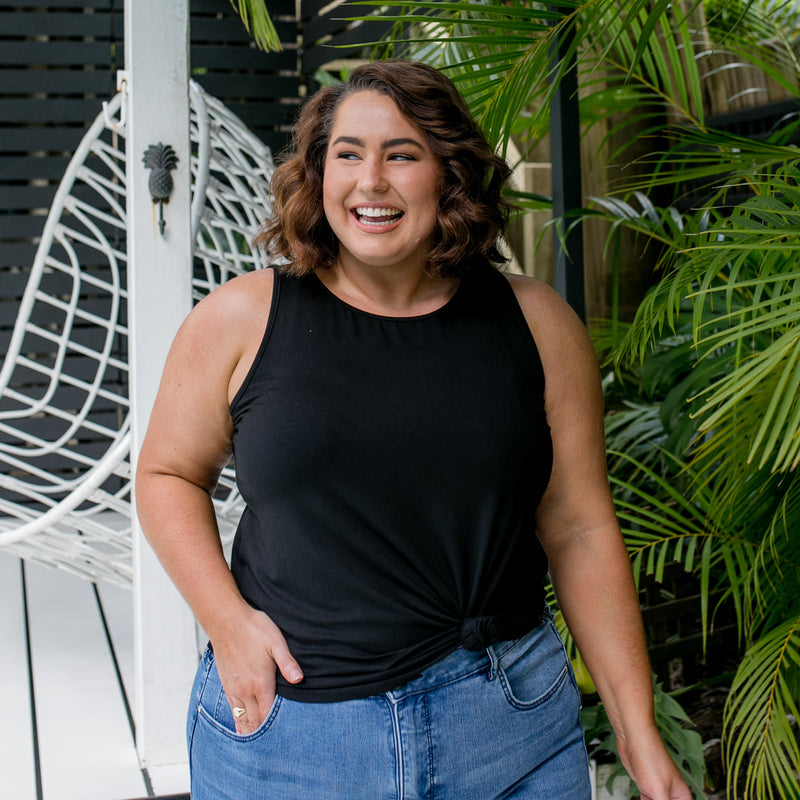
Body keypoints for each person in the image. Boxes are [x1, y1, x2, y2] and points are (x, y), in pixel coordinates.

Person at [135, 60, 692, 800]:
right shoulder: (240, 319)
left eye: (401, 154)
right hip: (294, 735)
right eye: (347, 154)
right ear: (317, 174)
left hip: (509, 727)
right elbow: (168, 474)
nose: (371, 181)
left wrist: (637, 734)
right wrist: (227, 622)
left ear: (449, 174)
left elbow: (579, 528)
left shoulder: (537, 325)